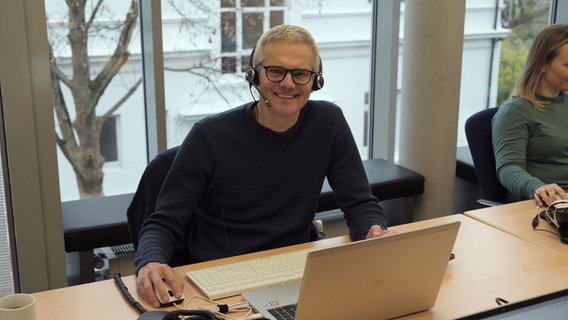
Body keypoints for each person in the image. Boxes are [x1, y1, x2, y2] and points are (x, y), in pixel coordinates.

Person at [134, 24, 389, 307]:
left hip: (296, 271)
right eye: (276, 71)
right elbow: (163, 222)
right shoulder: (209, 136)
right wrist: (151, 262)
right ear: (254, 76)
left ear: (315, 82)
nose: (288, 84)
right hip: (221, 281)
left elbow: (361, 203)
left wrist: (373, 231)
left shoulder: (328, 123)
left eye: (300, 74)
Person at [492, 23, 568, 207]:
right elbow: (508, 168)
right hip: (543, 205)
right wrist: (539, 189)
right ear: (542, 63)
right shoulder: (515, 111)